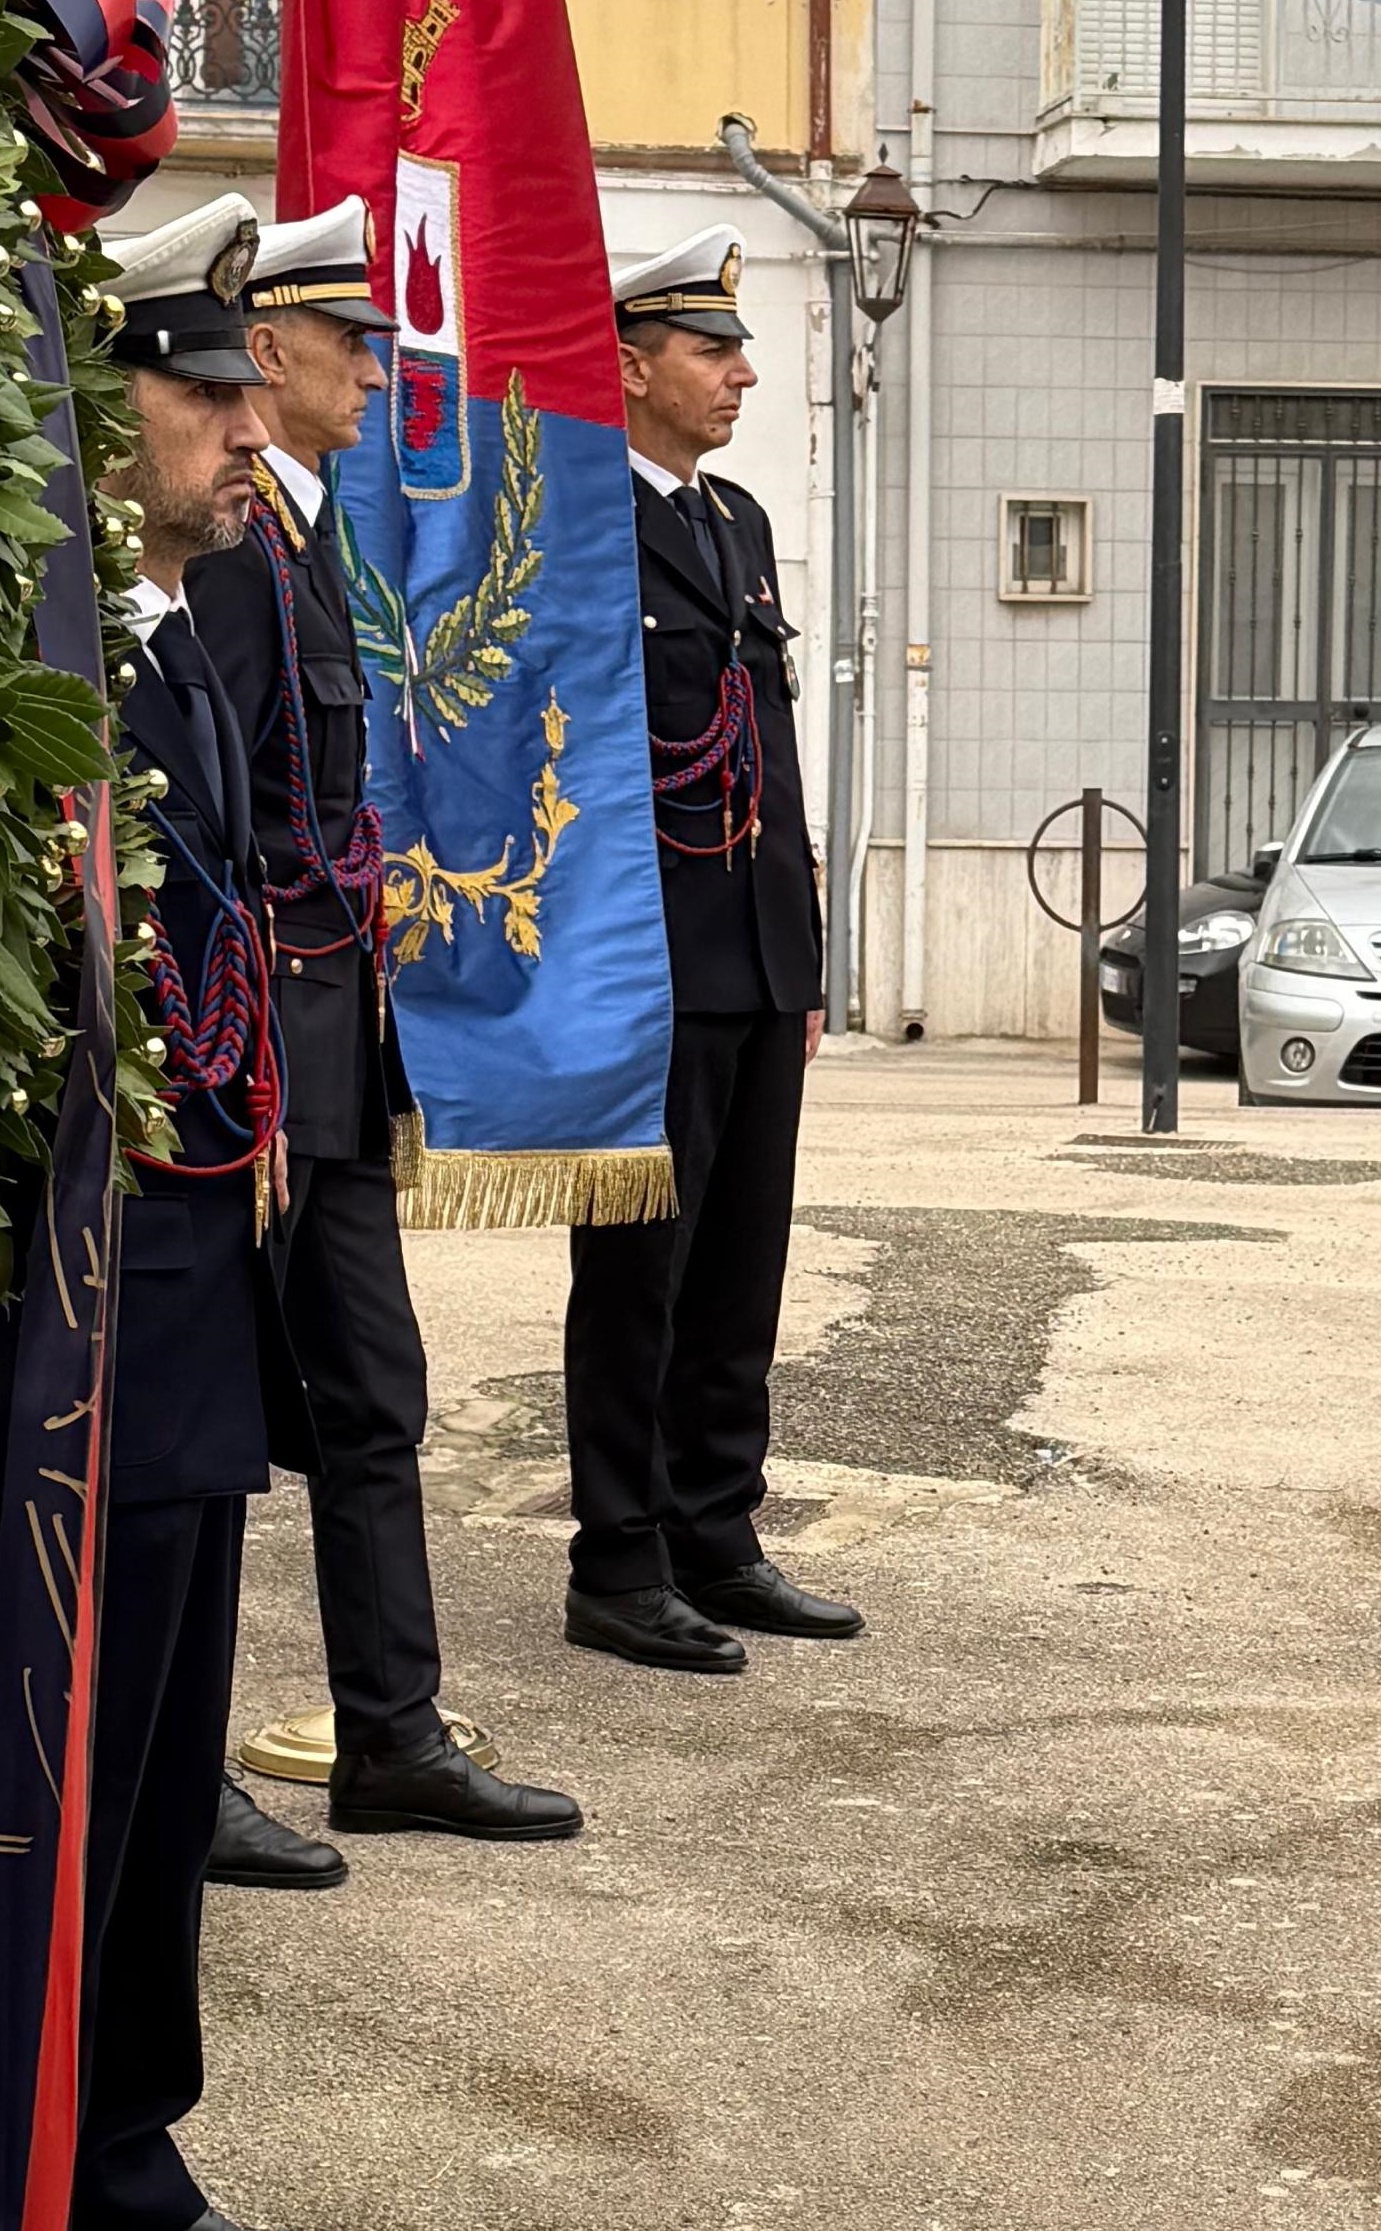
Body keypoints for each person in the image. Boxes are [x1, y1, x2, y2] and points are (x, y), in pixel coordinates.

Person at [0, 195, 347, 2231]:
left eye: (250, 385)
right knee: (36, 1775)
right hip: (62, 1301)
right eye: (206, 391)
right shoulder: (39, 663)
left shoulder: (192, 638)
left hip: (194, 1279)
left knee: (162, 1775)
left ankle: (122, 2157)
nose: (249, 422)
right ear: (105, 420)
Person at [185, 196, 580, 1879]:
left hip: (325, 1053)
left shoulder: (304, 532)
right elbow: (201, 835)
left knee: (371, 1394)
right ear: (260, 350)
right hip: (240, 1062)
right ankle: (176, 1761)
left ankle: (391, 1734)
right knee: (197, 1417)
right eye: (347, 338)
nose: (373, 364)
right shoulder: (215, 548)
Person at [561, 228, 861, 1673]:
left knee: (740, 1261)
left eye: (737, 350)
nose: (741, 373)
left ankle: (713, 1528)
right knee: (636, 1268)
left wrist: (797, 964)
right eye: (707, 349)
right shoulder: (568, 527)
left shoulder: (732, 522)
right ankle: (616, 1557)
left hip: (748, 956)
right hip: (641, 960)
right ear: (627, 364)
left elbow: (770, 755)